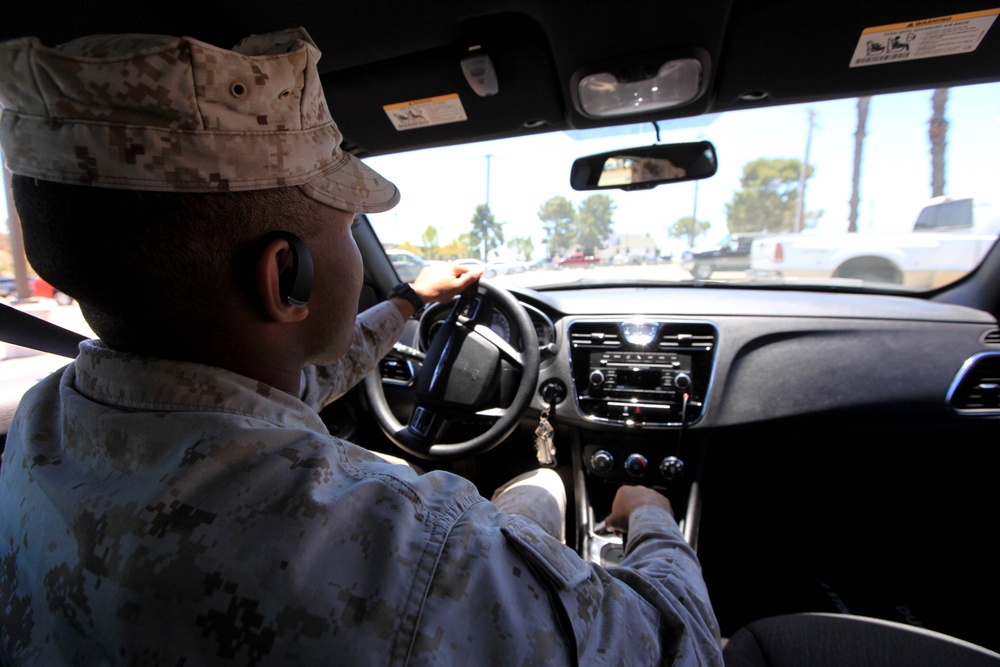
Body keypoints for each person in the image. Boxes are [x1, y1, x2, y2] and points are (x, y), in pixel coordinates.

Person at [0, 28, 722, 665]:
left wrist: (408, 301)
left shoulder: (42, 427)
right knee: (540, 490)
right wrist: (649, 515)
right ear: (286, 272)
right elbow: (679, 642)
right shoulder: (419, 554)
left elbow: (298, 387)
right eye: (349, 227)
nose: (355, 243)